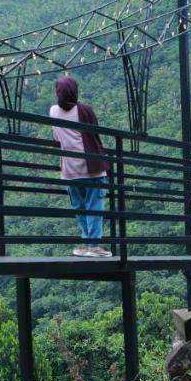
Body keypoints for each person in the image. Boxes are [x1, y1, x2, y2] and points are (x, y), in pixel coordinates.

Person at [50, 76, 111, 257]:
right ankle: (94, 246)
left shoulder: (53, 111)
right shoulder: (85, 111)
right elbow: (95, 134)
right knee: (94, 207)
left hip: (70, 170)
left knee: (80, 208)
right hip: (91, 167)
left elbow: (56, 137)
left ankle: (87, 244)